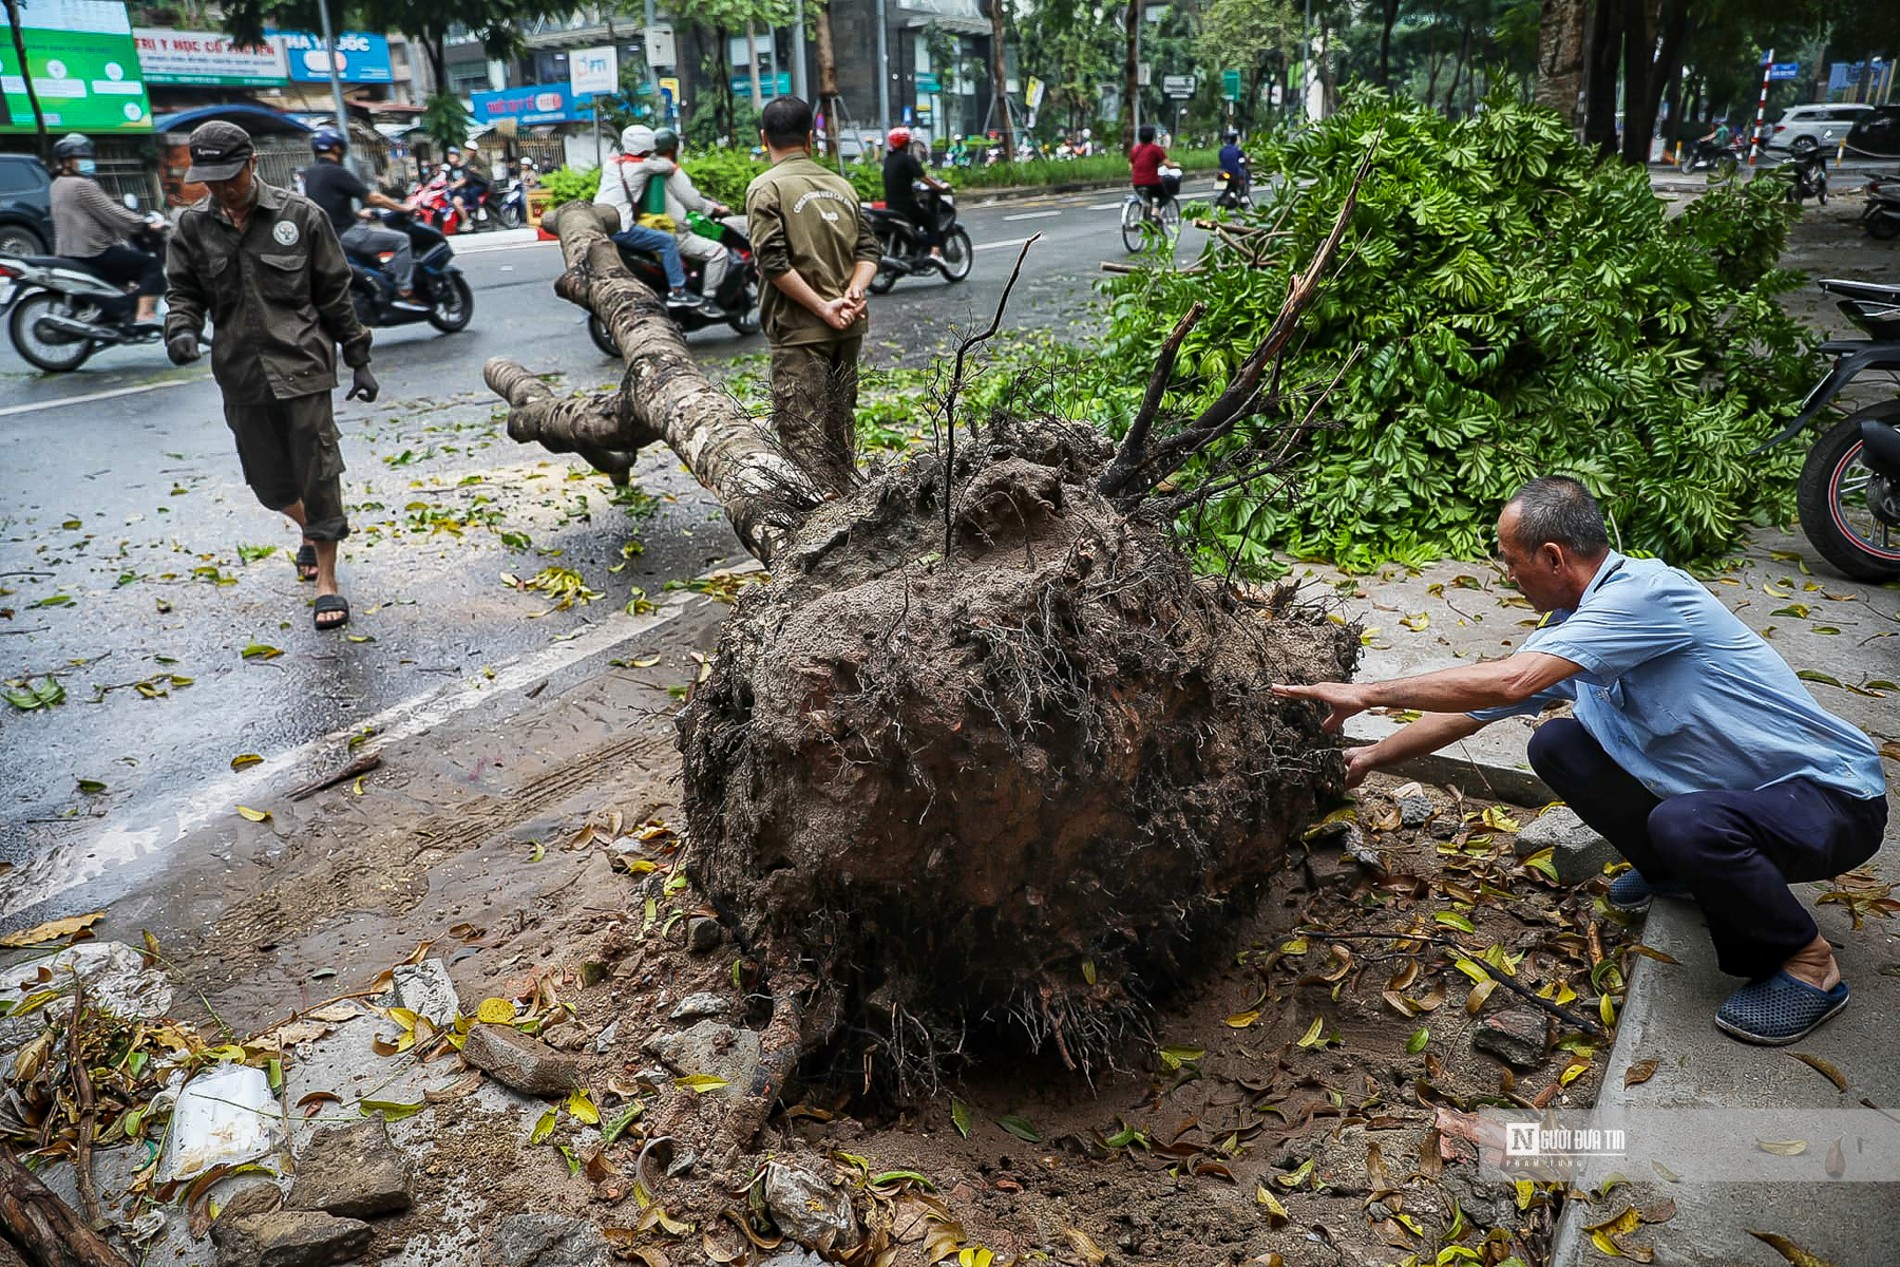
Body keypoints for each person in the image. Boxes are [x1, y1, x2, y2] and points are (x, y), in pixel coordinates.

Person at [1271, 476, 1887, 1046]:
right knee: (1557, 744)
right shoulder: (1574, 626)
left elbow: (1510, 682)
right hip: (1737, 803)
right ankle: (1677, 873)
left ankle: (1809, 964)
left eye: (1510, 560)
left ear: (1553, 557)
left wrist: (1367, 693)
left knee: (1687, 825)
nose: (1505, 574)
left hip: (1830, 802)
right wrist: (1372, 756)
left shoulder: (1644, 598)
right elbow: (1476, 710)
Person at [163, 122, 379, 632]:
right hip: (240, 372)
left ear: (252, 164)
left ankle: (327, 580)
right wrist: (181, 330)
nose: (220, 189)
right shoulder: (192, 227)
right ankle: (310, 529)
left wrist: (359, 356)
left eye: (229, 178)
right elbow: (183, 292)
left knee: (318, 471)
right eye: (209, 180)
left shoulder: (300, 216)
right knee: (268, 483)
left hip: (302, 364)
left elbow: (334, 291)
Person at [744, 95, 881, 497]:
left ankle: (820, 532)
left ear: (764, 137)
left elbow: (772, 262)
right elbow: (869, 251)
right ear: (810, 137)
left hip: (800, 332)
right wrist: (853, 292)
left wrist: (823, 307)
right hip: (848, 328)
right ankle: (849, 519)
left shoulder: (766, 187)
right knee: (840, 432)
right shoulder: (841, 185)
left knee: (803, 438)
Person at [48, 133, 168, 331]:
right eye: (82, 158)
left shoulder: (57, 184)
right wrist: (144, 224)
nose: (88, 162)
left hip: (69, 251)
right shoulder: (81, 185)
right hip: (93, 251)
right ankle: (144, 315)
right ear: (67, 162)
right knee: (151, 265)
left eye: (88, 158)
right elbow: (111, 213)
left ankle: (117, 309)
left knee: (127, 268)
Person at [299, 127, 423, 307]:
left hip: (327, 238)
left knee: (376, 262)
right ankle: (404, 290)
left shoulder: (309, 174)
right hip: (347, 234)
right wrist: (404, 208)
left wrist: (358, 213)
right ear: (336, 148)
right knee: (402, 240)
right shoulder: (336, 172)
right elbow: (374, 197)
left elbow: (324, 205)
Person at [595, 124, 709, 311]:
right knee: (666, 241)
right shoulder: (645, 167)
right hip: (621, 227)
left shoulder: (612, 163)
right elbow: (669, 167)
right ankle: (678, 291)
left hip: (600, 222)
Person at [650, 128, 737, 302]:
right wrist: (716, 209)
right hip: (673, 232)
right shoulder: (671, 170)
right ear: (672, 148)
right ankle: (709, 299)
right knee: (718, 252)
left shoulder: (647, 167)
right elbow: (693, 202)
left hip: (647, 228)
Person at [880, 126, 951, 271]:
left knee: (917, 223)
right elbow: (923, 178)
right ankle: (935, 252)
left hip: (890, 206)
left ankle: (914, 251)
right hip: (906, 206)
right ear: (906, 143)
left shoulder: (888, 160)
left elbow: (899, 180)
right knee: (931, 220)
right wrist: (939, 187)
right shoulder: (907, 159)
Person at [447, 146, 490, 228]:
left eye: (453, 156)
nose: (451, 159)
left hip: (465, 191)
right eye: (449, 157)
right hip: (456, 191)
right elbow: (449, 181)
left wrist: (456, 184)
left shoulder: (465, 167)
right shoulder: (451, 169)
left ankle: (466, 222)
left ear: (458, 157)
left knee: (456, 202)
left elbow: (465, 179)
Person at [1129, 123, 1168, 211]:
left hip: (1136, 184)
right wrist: (1177, 165)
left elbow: (1131, 166)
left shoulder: (1135, 149)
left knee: (1147, 201)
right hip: (1152, 183)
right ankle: (1156, 210)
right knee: (1165, 196)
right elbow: (1167, 164)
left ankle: (1147, 218)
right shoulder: (1156, 149)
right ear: (1152, 136)